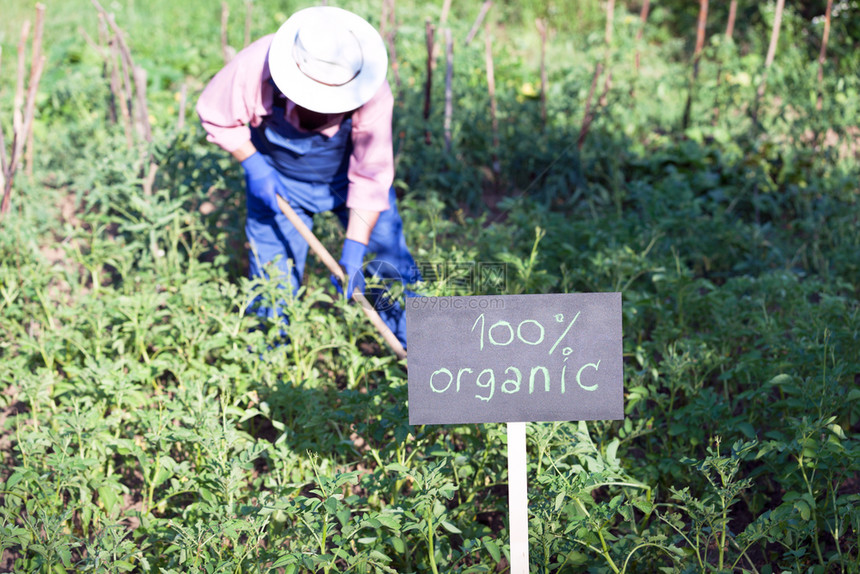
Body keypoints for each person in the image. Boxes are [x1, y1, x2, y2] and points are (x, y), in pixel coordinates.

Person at [196, 6, 419, 348]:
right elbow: (216, 114)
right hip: (278, 184)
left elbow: (372, 175)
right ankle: (271, 369)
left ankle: (421, 349)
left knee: (390, 265)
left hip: (351, 182)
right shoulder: (257, 65)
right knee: (273, 282)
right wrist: (254, 164)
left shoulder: (372, 87)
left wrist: (356, 249)